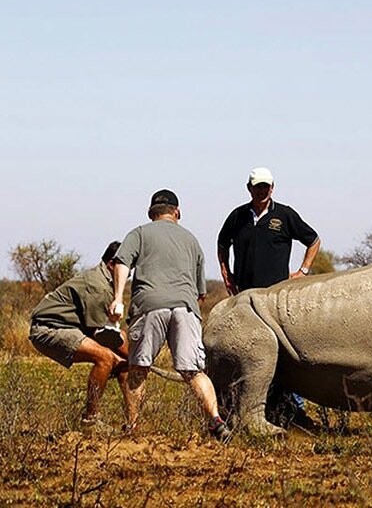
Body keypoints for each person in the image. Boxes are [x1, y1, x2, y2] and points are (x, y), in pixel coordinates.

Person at [108, 189, 231, 441]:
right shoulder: (191, 240)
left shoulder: (139, 233)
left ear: (151, 213)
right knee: (194, 371)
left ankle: (132, 427)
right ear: (177, 212)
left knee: (139, 367)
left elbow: (121, 262)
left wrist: (118, 297)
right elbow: (200, 293)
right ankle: (216, 421)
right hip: (185, 307)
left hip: (150, 305)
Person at [217, 167, 321, 429]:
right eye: (257, 186)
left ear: (272, 187)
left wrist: (303, 271)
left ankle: (295, 410)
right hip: (246, 300)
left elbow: (313, 239)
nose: (262, 191)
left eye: (266, 186)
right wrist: (226, 274)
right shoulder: (238, 216)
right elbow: (222, 243)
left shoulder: (284, 215)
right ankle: (245, 406)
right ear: (249, 188)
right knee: (249, 351)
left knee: (288, 351)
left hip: (277, 298)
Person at [29, 241, 130, 428]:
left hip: (69, 328)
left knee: (123, 364)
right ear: (111, 264)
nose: (128, 275)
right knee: (105, 358)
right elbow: (104, 335)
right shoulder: (98, 286)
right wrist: (139, 359)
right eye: (125, 269)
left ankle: (133, 422)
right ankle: (90, 420)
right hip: (48, 328)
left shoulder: (107, 283)